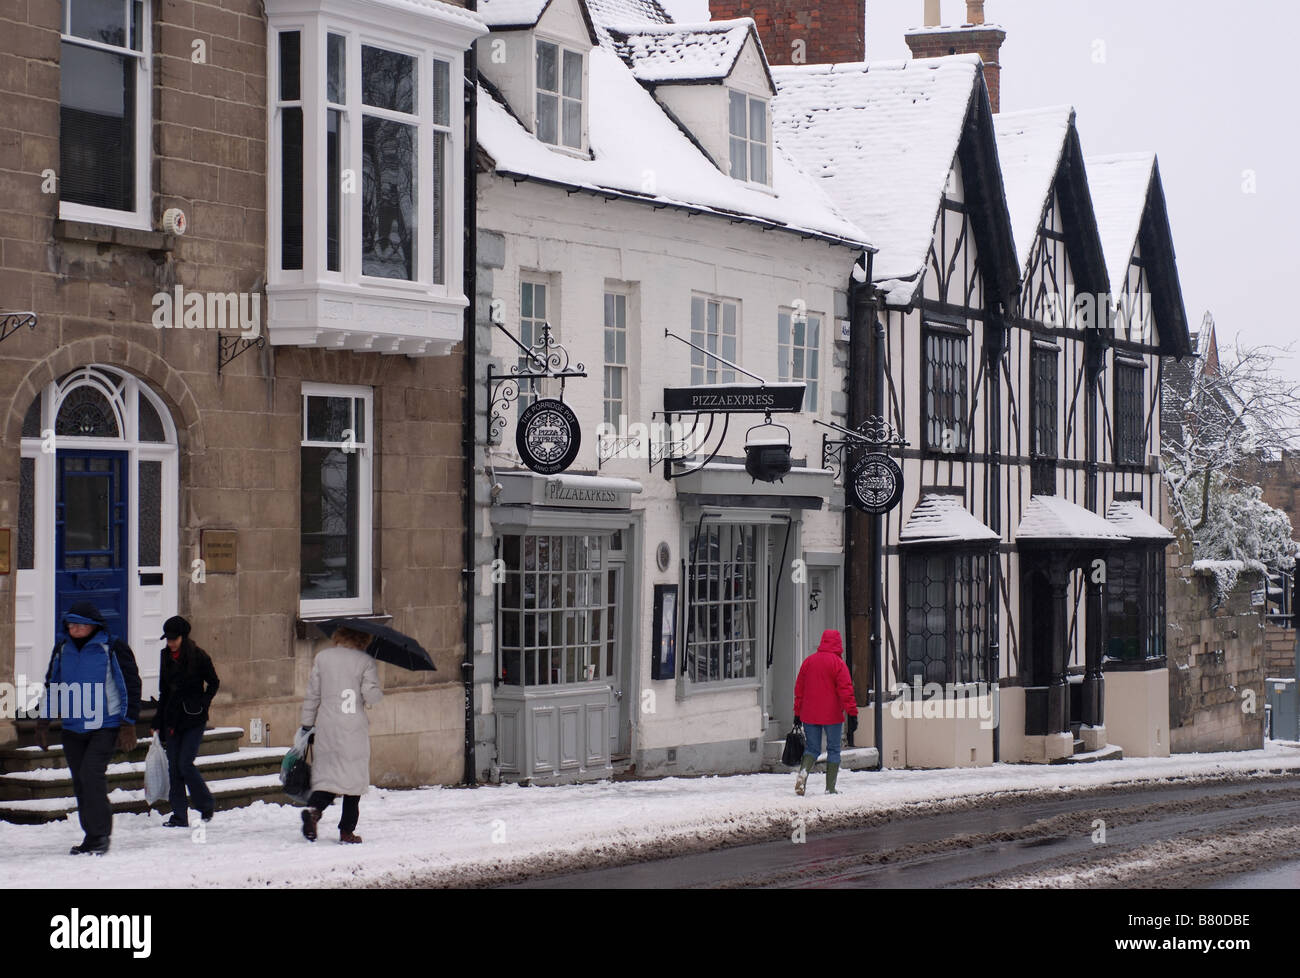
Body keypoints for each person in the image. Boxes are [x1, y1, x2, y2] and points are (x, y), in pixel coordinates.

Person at [35, 602, 142, 855]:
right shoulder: (62, 648)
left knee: (91, 775)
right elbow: (53, 684)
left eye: (80, 624)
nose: (75, 629)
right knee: (81, 782)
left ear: (94, 626)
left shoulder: (112, 647)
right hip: (73, 727)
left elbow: (130, 685)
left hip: (105, 725)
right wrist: (43, 722)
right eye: (71, 624)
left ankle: (101, 835)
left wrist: (128, 723)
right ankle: (91, 836)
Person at [299, 625, 383, 844]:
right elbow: (371, 697)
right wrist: (375, 687)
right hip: (353, 727)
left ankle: (315, 810)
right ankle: (347, 832)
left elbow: (312, 695)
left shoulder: (322, 658)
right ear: (363, 639)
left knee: (328, 776)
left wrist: (307, 724)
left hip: (327, 725)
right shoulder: (365, 662)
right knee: (353, 781)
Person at [151, 615, 221, 827]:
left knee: (184, 764)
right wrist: (157, 721)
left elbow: (214, 682)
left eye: (174, 638)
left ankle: (205, 803)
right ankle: (179, 815)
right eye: (168, 639)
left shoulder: (198, 656)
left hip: (193, 719)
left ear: (183, 637)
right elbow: (163, 691)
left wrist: (202, 703)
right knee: (174, 768)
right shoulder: (165, 656)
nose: (170, 643)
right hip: (172, 719)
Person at [792, 629, 859, 796]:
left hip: (809, 713)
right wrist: (852, 713)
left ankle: (802, 776)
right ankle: (830, 788)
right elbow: (846, 691)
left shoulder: (808, 662)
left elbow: (799, 689)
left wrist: (797, 713)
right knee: (834, 749)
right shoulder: (838, 664)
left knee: (813, 749)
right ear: (838, 644)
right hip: (832, 714)